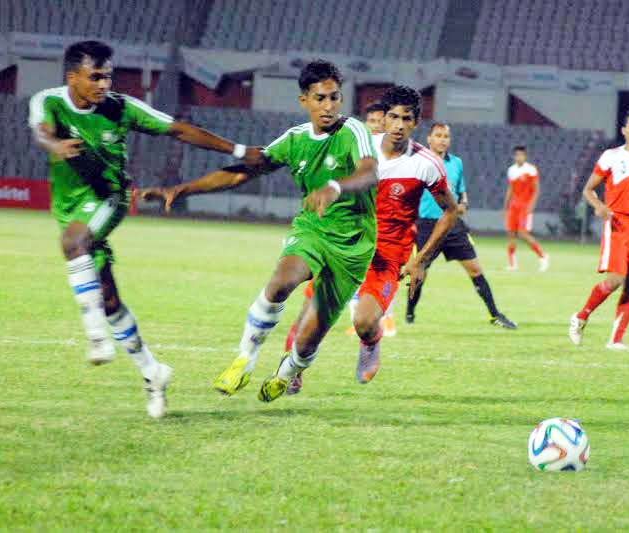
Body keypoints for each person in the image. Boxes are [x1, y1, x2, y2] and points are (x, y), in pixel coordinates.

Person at [142, 60, 381, 403]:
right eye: (320, 98)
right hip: (312, 230)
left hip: (354, 245)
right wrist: (182, 190)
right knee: (282, 281)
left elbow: (369, 173)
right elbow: (243, 172)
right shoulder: (295, 139)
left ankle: (288, 372)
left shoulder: (352, 131)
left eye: (334, 97)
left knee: (308, 339)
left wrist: (334, 188)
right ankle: (244, 360)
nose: (328, 106)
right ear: (304, 101)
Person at [29, 40, 240, 418]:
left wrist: (237, 152)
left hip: (110, 197)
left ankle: (96, 339)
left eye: (108, 75)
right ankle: (153, 372)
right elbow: (42, 132)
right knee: (108, 299)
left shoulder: (121, 108)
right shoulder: (49, 101)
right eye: (95, 76)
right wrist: (55, 145)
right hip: (69, 206)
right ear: (72, 77)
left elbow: (177, 130)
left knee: (73, 241)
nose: (104, 83)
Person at [288, 86, 458, 394]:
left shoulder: (427, 163)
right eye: (392, 117)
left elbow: (451, 211)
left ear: (416, 122)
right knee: (309, 316)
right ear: (383, 118)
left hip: (387, 256)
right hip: (346, 244)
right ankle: (293, 372)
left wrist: (421, 259)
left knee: (364, 321)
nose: (398, 125)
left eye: (406, 119)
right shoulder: (360, 149)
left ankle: (371, 342)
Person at [405, 123, 517, 329]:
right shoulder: (417, 162)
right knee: (419, 271)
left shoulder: (456, 163)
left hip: (453, 224)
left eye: (446, 136)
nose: (442, 139)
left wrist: (463, 203)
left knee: (475, 269)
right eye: (438, 135)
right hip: (427, 225)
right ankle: (409, 313)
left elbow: (461, 190)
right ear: (429, 139)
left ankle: (495, 314)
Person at [569, 108, 629, 349]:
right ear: (624, 130)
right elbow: (588, 189)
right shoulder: (611, 156)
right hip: (618, 224)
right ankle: (580, 316)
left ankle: (616, 340)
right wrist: (599, 206)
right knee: (616, 279)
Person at [504, 146, 549, 271]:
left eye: (521, 155)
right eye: (517, 155)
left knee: (523, 234)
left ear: (525, 156)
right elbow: (511, 189)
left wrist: (531, 205)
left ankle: (542, 256)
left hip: (525, 206)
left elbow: (536, 189)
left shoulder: (531, 170)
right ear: (514, 156)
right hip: (514, 206)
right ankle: (512, 264)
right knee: (511, 234)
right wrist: (505, 205)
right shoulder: (511, 170)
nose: (519, 157)